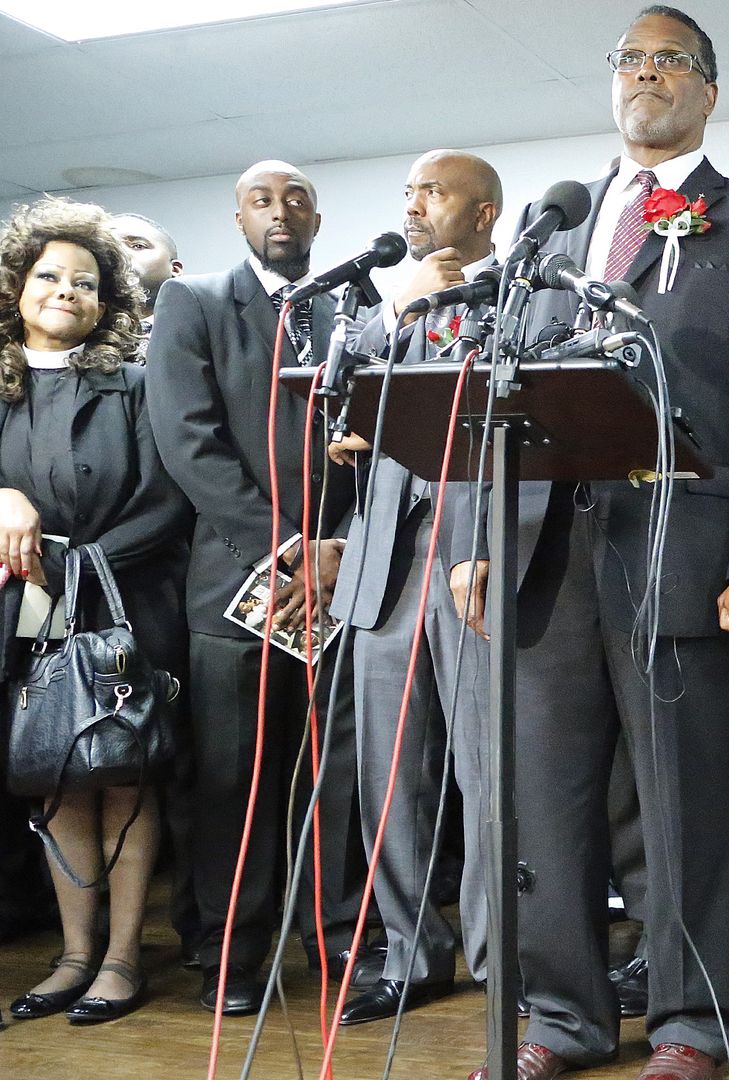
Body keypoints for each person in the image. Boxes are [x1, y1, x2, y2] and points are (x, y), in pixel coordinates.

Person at [458, 8, 729, 1079]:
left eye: (673, 60)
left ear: (710, 93)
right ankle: (563, 1019)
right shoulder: (552, 235)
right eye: (631, 59)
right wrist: (483, 540)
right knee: (550, 808)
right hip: (547, 560)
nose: (647, 74)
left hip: (690, 555)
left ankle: (689, 1025)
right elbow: (504, 402)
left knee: (687, 807)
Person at [146, 160, 361, 1015]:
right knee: (235, 780)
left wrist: (339, 548)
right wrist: (288, 550)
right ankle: (228, 953)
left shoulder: (357, 310)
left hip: (345, 581)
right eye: (263, 200)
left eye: (298, 198)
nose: (283, 211)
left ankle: (335, 938)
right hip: (241, 588)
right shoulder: (193, 303)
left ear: (318, 216)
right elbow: (190, 445)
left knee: (333, 776)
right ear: (238, 220)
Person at [0, 197, 191, 1024]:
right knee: (52, 780)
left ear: (106, 301)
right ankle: (72, 954)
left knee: (122, 778)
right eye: (49, 276)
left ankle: (119, 959)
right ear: (18, 286)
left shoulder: (137, 384)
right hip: (22, 616)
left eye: (85, 282)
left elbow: (168, 500)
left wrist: (72, 563)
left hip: (124, 604)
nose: (65, 292)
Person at [325, 148, 503, 1026]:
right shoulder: (381, 303)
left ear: (481, 215)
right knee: (388, 777)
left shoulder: (521, 296)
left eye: (433, 191)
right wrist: (397, 312)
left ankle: (496, 952)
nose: (414, 205)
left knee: (487, 770)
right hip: (386, 557)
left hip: (477, 552)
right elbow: (336, 400)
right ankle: (406, 954)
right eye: (407, 191)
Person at [108, 213, 182, 329]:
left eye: (138, 246)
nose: (119, 255)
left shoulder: (203, 328)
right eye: (110, 249)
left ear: (175, 269)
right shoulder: (78, 338)